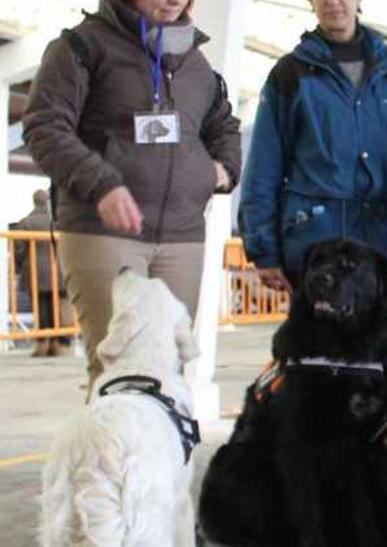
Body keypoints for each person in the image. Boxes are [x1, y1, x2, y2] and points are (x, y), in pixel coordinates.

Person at [23, 0, 242, 391]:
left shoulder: (198, 64)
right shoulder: (80, 47)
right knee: (118, 368)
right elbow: (45, 127)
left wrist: (223, 168)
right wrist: (102, 183)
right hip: (102, 232)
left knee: (170, 367)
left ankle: (166, 454)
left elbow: (223, 124)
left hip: (182, 235)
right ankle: (111, 453)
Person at [238, 0, 387, 297]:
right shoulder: (290, 74)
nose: (332, 2)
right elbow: (263, 168)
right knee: (318, 343)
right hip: (316, 251)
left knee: (384, 343)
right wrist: (263, 249)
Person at [11, 189, 71, 357]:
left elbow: (18, 249)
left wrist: (22, 265)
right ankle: (60, 344)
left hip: (35, 273)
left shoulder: (26, 223)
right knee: (59, 309)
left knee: (42, 308)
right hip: (58, 272)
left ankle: (43, 343)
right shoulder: (60, 222)